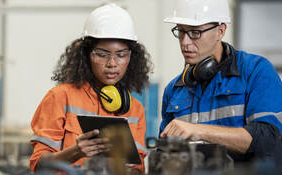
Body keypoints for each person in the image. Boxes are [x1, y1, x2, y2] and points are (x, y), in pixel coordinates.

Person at [29, 3, 153, 173]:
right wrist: (76, 152)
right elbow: (39, 164)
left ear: (131, 58)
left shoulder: (135, 110)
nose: (112, 64)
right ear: (86, 55)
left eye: (121, 55)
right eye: (102, 55)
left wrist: (122, 169)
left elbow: (138, 169)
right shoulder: (60, 97)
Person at [160, 0, 282, 164]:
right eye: (181, 31)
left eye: (195, 32)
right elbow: (164, 154)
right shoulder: (174, 90)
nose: (184, 42)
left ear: (220, 31)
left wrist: (199, 131)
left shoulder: (256, 71)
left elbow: (267, 140)